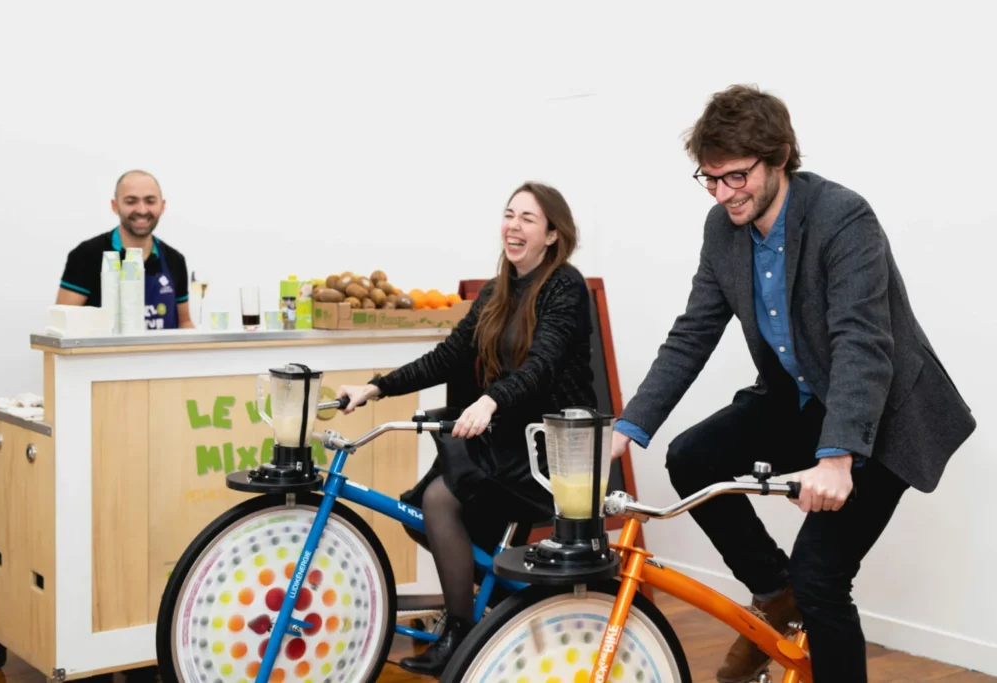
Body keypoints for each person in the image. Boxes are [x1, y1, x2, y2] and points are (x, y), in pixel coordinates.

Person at [612, 85, 975, 683]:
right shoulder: (722, 228)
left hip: (882, 414)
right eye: (708, 178)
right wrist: (630, 427)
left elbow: (863, 343)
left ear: (779, 157)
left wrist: (837, 459)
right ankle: (776, 597)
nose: (723, 193)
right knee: (692, 457)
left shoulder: (842, 216)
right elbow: (693, 332)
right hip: (802, 398)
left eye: (735, 176)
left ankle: (799, 594)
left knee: (822, 575)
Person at [338, 181, 597, 675]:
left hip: (552, 449)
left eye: (528, 219)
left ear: (551, 235)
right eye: (509, 214)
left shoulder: (565, 285)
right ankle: (494, 610)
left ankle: (460, 632)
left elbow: (542, 364)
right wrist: (376, 388)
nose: (514, 226)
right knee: (422, 513)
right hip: (506, 434)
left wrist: (490, 399)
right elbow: (448, 356)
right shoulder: (498, 291)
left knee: (438, 502)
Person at [56, 170, 194, 329]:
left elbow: (184, 322)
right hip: (104, 354)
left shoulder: (174, 259)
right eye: (131, 201)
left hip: (162, 354)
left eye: (150, 201)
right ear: (115, 206)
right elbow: (62, 327)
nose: (142, 210)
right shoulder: (86, 255)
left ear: (162, 206)